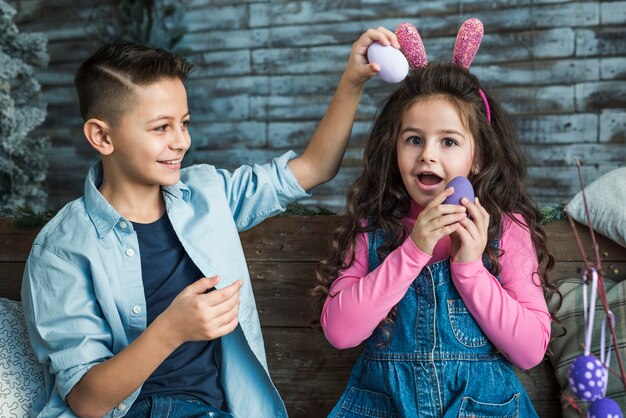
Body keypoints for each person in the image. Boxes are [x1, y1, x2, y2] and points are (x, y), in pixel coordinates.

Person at [21, 27, 401, 418]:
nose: (181, 141)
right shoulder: (62, 249)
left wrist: (353, 81)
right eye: (160, 128)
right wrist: (171, 330)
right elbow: (87, 401)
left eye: (183, 123)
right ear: (102, 136)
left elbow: (313, 168)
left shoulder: (207, 194)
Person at [313, 21, 557, 418]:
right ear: (394, 150)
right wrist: (412, 252)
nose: (428, 155)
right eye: (414, 139)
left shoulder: (506, 229)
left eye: (448, 141)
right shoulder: (374, 229)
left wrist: (470, 268)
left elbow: (530, 351)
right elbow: (340, 332)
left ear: (477, 156)